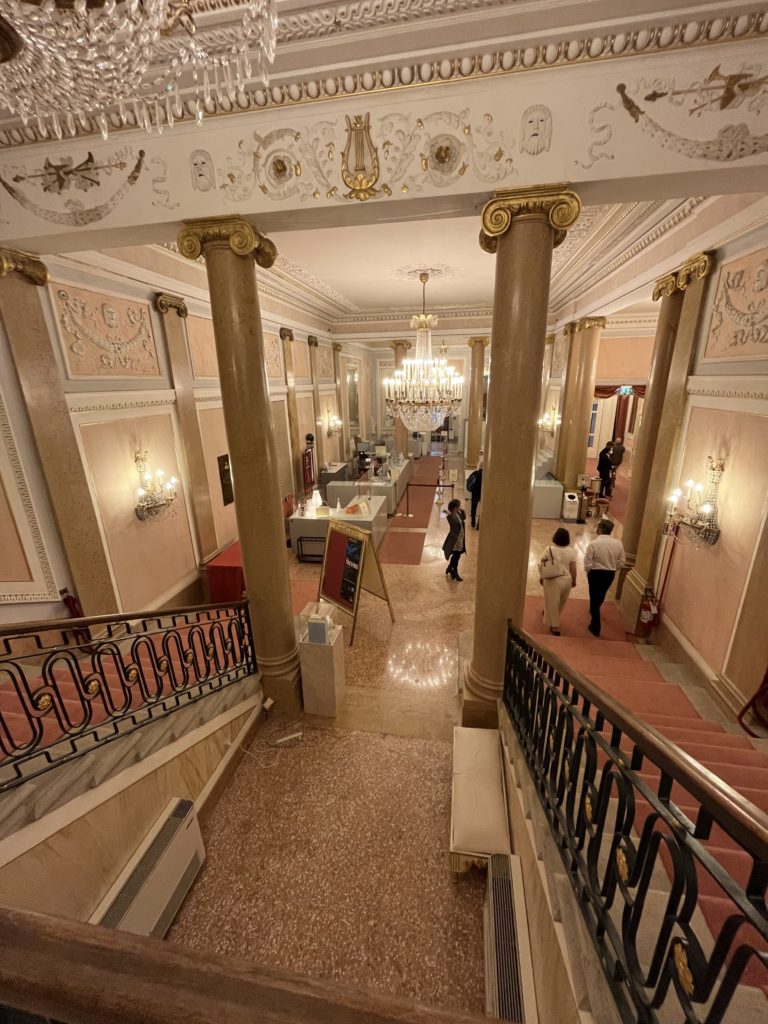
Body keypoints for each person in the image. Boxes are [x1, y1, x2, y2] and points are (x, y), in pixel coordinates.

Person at [584, 519, 625, 637]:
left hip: (595, 573)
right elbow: (622, 562)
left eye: (597, 527)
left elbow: (587, 562)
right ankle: (593, 610)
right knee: (601, 594)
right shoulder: (618, 544)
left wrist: (589, 573)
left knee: (594, 596)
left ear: (600, 529)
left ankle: (595, 626)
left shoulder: (593, 544)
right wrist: (613, 568)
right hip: (609, 574)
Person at [538, 527, 577, 636]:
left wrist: (541, 576)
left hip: (551, 579)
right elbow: (573, 568)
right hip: (566, 580)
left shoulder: (549, 549)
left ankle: (555, 626)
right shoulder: (571, 551)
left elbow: (542, 564)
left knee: (551, 600)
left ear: (556, 537)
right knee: (560, 601)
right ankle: (551, 615)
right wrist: (574, 580)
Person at [442, 498, 466, 581]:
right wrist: (449, 512)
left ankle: (450, 568)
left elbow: (464, 518)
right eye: (458, 506)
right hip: (455, 540)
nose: (460, 507)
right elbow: (452, 519)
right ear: (455, 507)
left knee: (457, 555)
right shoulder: (451, 516)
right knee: (457, 555)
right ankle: (454, 571)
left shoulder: (458, 513)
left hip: (460, 538)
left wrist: (462, 511)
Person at [466, 463, 483, 529]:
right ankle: (479, 524)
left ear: (479, 466)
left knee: (473, 508)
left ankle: (473, 522)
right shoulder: (486, 475)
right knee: (481, 510)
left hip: (475, 493)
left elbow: (469, 480)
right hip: (482, 494)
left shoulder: (475, 473)